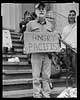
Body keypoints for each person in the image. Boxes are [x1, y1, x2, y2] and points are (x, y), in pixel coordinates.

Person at [25, 3, 55, 98]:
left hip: (47, 55)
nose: (41, 10)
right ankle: (37, 95)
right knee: (36, 77)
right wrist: (26, 50)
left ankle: (46, 94)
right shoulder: (30, 24)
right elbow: (27, 39)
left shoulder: (51, 25)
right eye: (39, 9)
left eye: (43, 9)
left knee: (46, 76)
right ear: (36, 11)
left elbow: (53, 39)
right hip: (36, 55)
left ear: (46, 11)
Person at [61, 10, 77, 87]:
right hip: (67, 49)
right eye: (70, 15)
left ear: (75, 16)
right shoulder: (65, 28)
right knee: (68, 66)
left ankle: (75, 82)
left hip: (75, 49)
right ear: (68, 16)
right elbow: (63, 39)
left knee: (74, 66)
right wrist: (62, 48)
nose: (71, 16)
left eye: (73, 15)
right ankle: (72, 80)